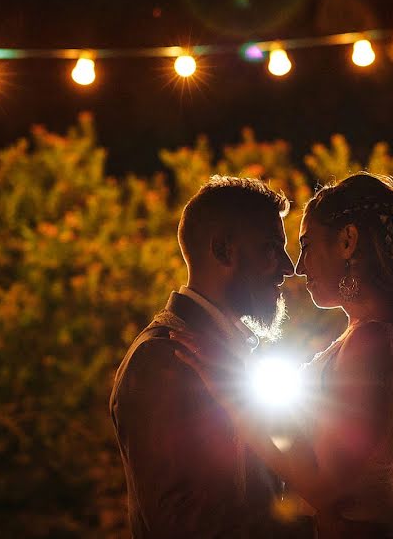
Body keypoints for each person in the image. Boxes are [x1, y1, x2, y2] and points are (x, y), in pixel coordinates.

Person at [178, 172, 393, 538]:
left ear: (348, 241)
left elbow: (326, 488)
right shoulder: (379, 334)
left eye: (306, 245)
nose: (298, 266)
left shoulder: (370, 341)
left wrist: (229, 396)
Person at [109, 175, 311, 538]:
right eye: (270, 248)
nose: (288, 267)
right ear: (223, 250)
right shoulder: (160, 358)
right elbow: (178, 525)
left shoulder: (229, 351)